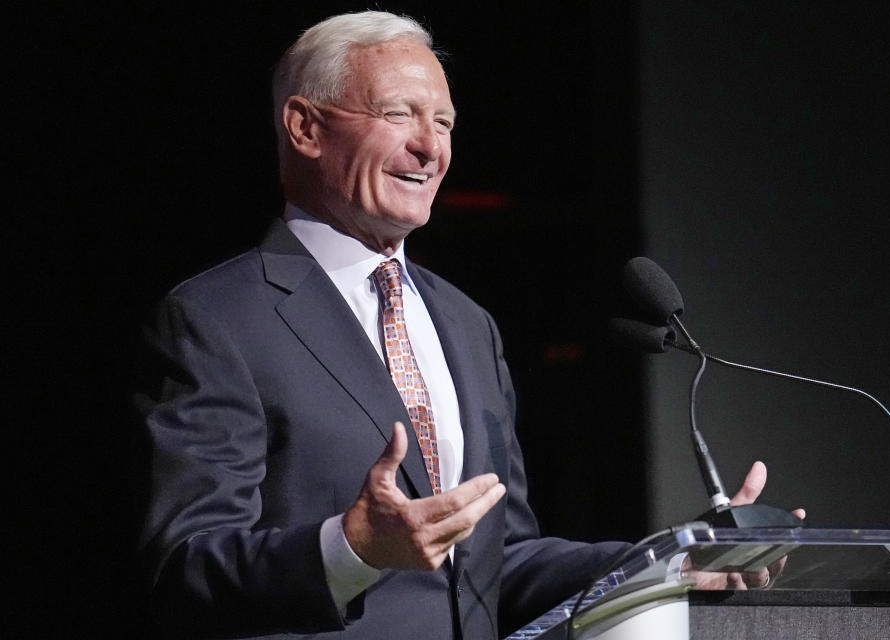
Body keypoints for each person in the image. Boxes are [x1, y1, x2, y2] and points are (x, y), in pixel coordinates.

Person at [136, 10, 785, 639]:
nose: (431, 146)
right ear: (305, 128)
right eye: (399, 114)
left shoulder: (467, 324)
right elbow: (183, 566)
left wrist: (675, 559)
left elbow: (496, 564)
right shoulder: (217, 317)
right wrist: (351, 547)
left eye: (444, 122)